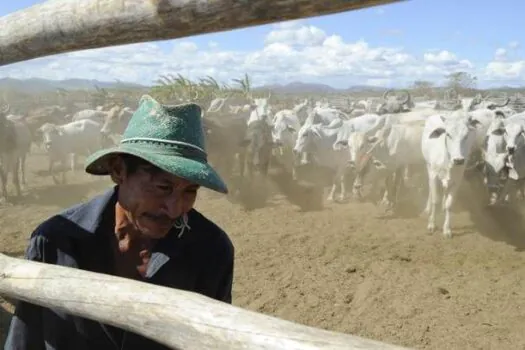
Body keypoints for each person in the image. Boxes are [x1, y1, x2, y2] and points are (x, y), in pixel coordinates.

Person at [4, 95, 235, 350]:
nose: (174, 208)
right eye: (162, 187)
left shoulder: (211, 249)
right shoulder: (54, 242)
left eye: (190, 191)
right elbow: (24, 342)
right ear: (118, 171)